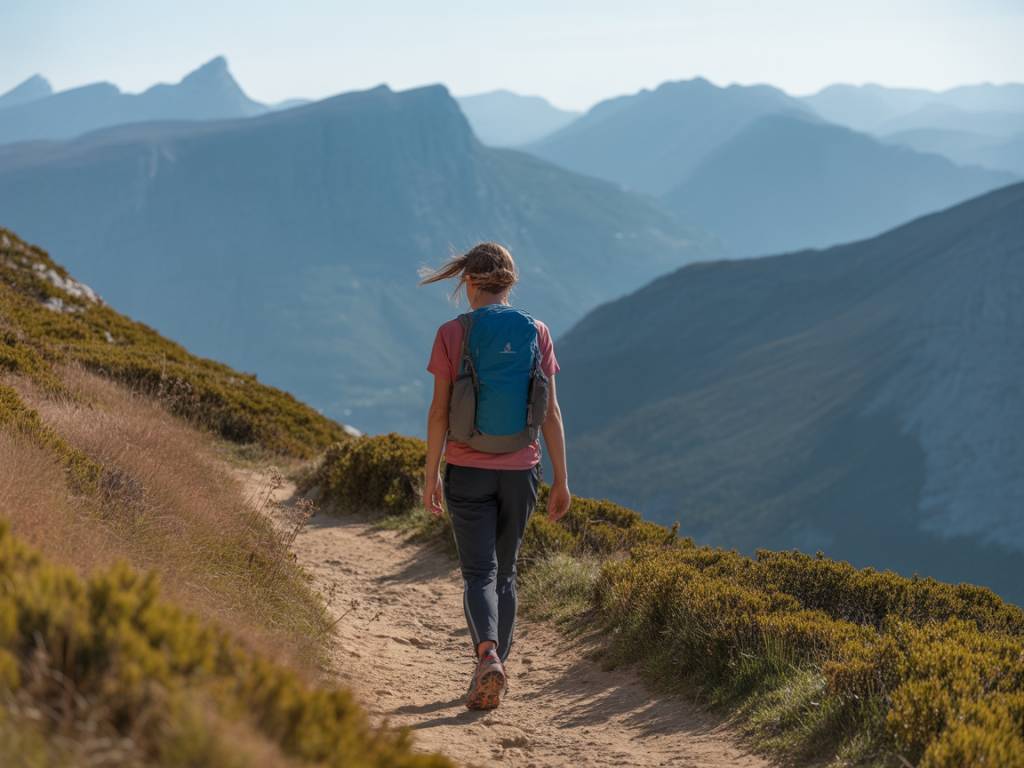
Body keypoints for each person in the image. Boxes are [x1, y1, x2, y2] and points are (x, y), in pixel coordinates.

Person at [420, 241, 571, 710]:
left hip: (467, 468)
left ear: (468, 282)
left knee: (478, 573)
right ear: (510, 281)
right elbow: (550, 412)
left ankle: (487, 657)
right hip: (521, 470)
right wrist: (562, 478)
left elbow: (439, 414)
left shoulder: (452, 333)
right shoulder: (537, 331)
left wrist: (431, 476)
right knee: (506, 572)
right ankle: (496, 665)